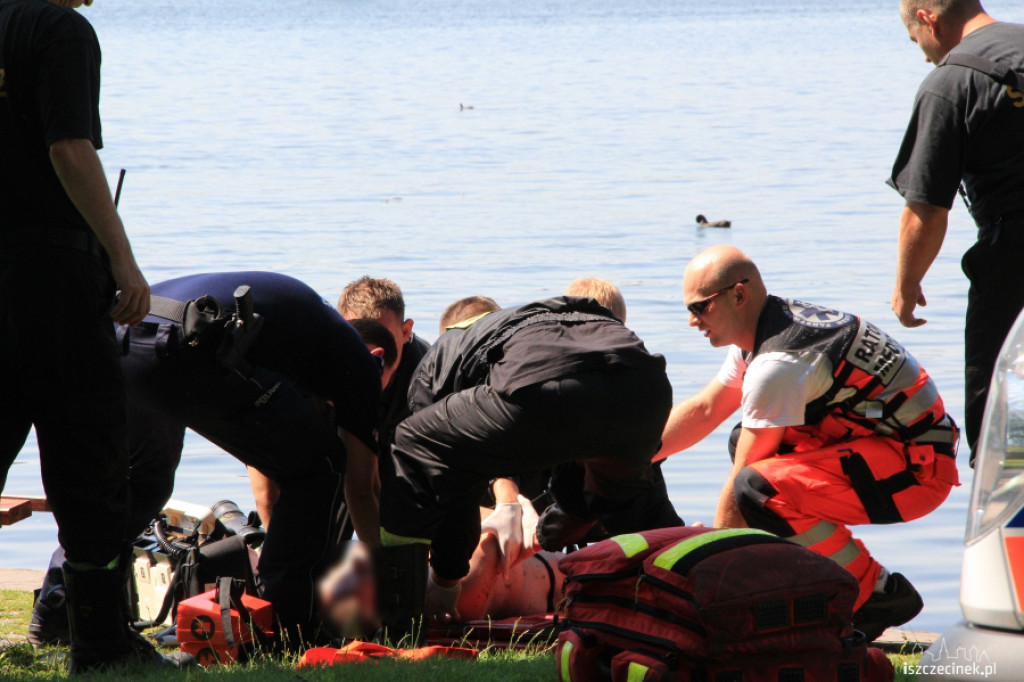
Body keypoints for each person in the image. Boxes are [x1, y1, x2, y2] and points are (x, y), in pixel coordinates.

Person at [30, 271, 392, 649]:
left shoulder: (302, 335)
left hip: (124, 334)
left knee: (142, 481)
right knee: (322, 468)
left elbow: (270, 449)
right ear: (378, 358)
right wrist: (387, 577)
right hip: (188, 343)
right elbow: (361, 486)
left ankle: (58, 610)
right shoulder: (362, 367)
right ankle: (288, 625)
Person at [656, 246, 959, 641]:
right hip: (885, 442)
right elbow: (706, 407)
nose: (692, 321)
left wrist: (711, 578)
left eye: (699, 307)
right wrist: (633, 454)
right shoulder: (766, 329)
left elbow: (740, 482)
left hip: (919, 472)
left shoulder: (778, 363)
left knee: (757, 488)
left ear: (738, 295)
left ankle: (874, 594)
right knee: (744, 446)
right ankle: (805, 588)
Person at [0, 0, 157, 672]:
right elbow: (68, 146)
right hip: (51, 273)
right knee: (89, 454)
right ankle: (100, 643)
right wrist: (121, 258)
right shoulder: (59, 30)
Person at [374, 295, 678, 642]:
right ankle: (694, 600)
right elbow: (584, 427)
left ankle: (401, 625)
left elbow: (444, 479)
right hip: (645, 386)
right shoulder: (532, 322)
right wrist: (563, 516)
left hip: (546, 383)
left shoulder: (434, 365)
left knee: (409, 443)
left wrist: (445, 576)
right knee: (636, 504)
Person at [888, 0, 1024, 463]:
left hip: (1013, 262)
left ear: (927, 19)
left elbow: (924, 209)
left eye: (917, 43)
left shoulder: (950, 81)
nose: (925, 55)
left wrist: (906, 286)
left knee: (999, 419)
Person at [247, 275, 429, 528]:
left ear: (406, 332)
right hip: (327, 443)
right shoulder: (312, 363)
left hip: (393, 442)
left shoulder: (425, 372)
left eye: (381, 341)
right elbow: (267, 445)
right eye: (356, 340)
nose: (367, 357)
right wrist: (269, 515)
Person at [320, 497, 563, 640]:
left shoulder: (430, 575)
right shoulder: (456, 582)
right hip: (562, 573)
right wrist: (511, 499)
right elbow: (471, 517)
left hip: (552, 565)